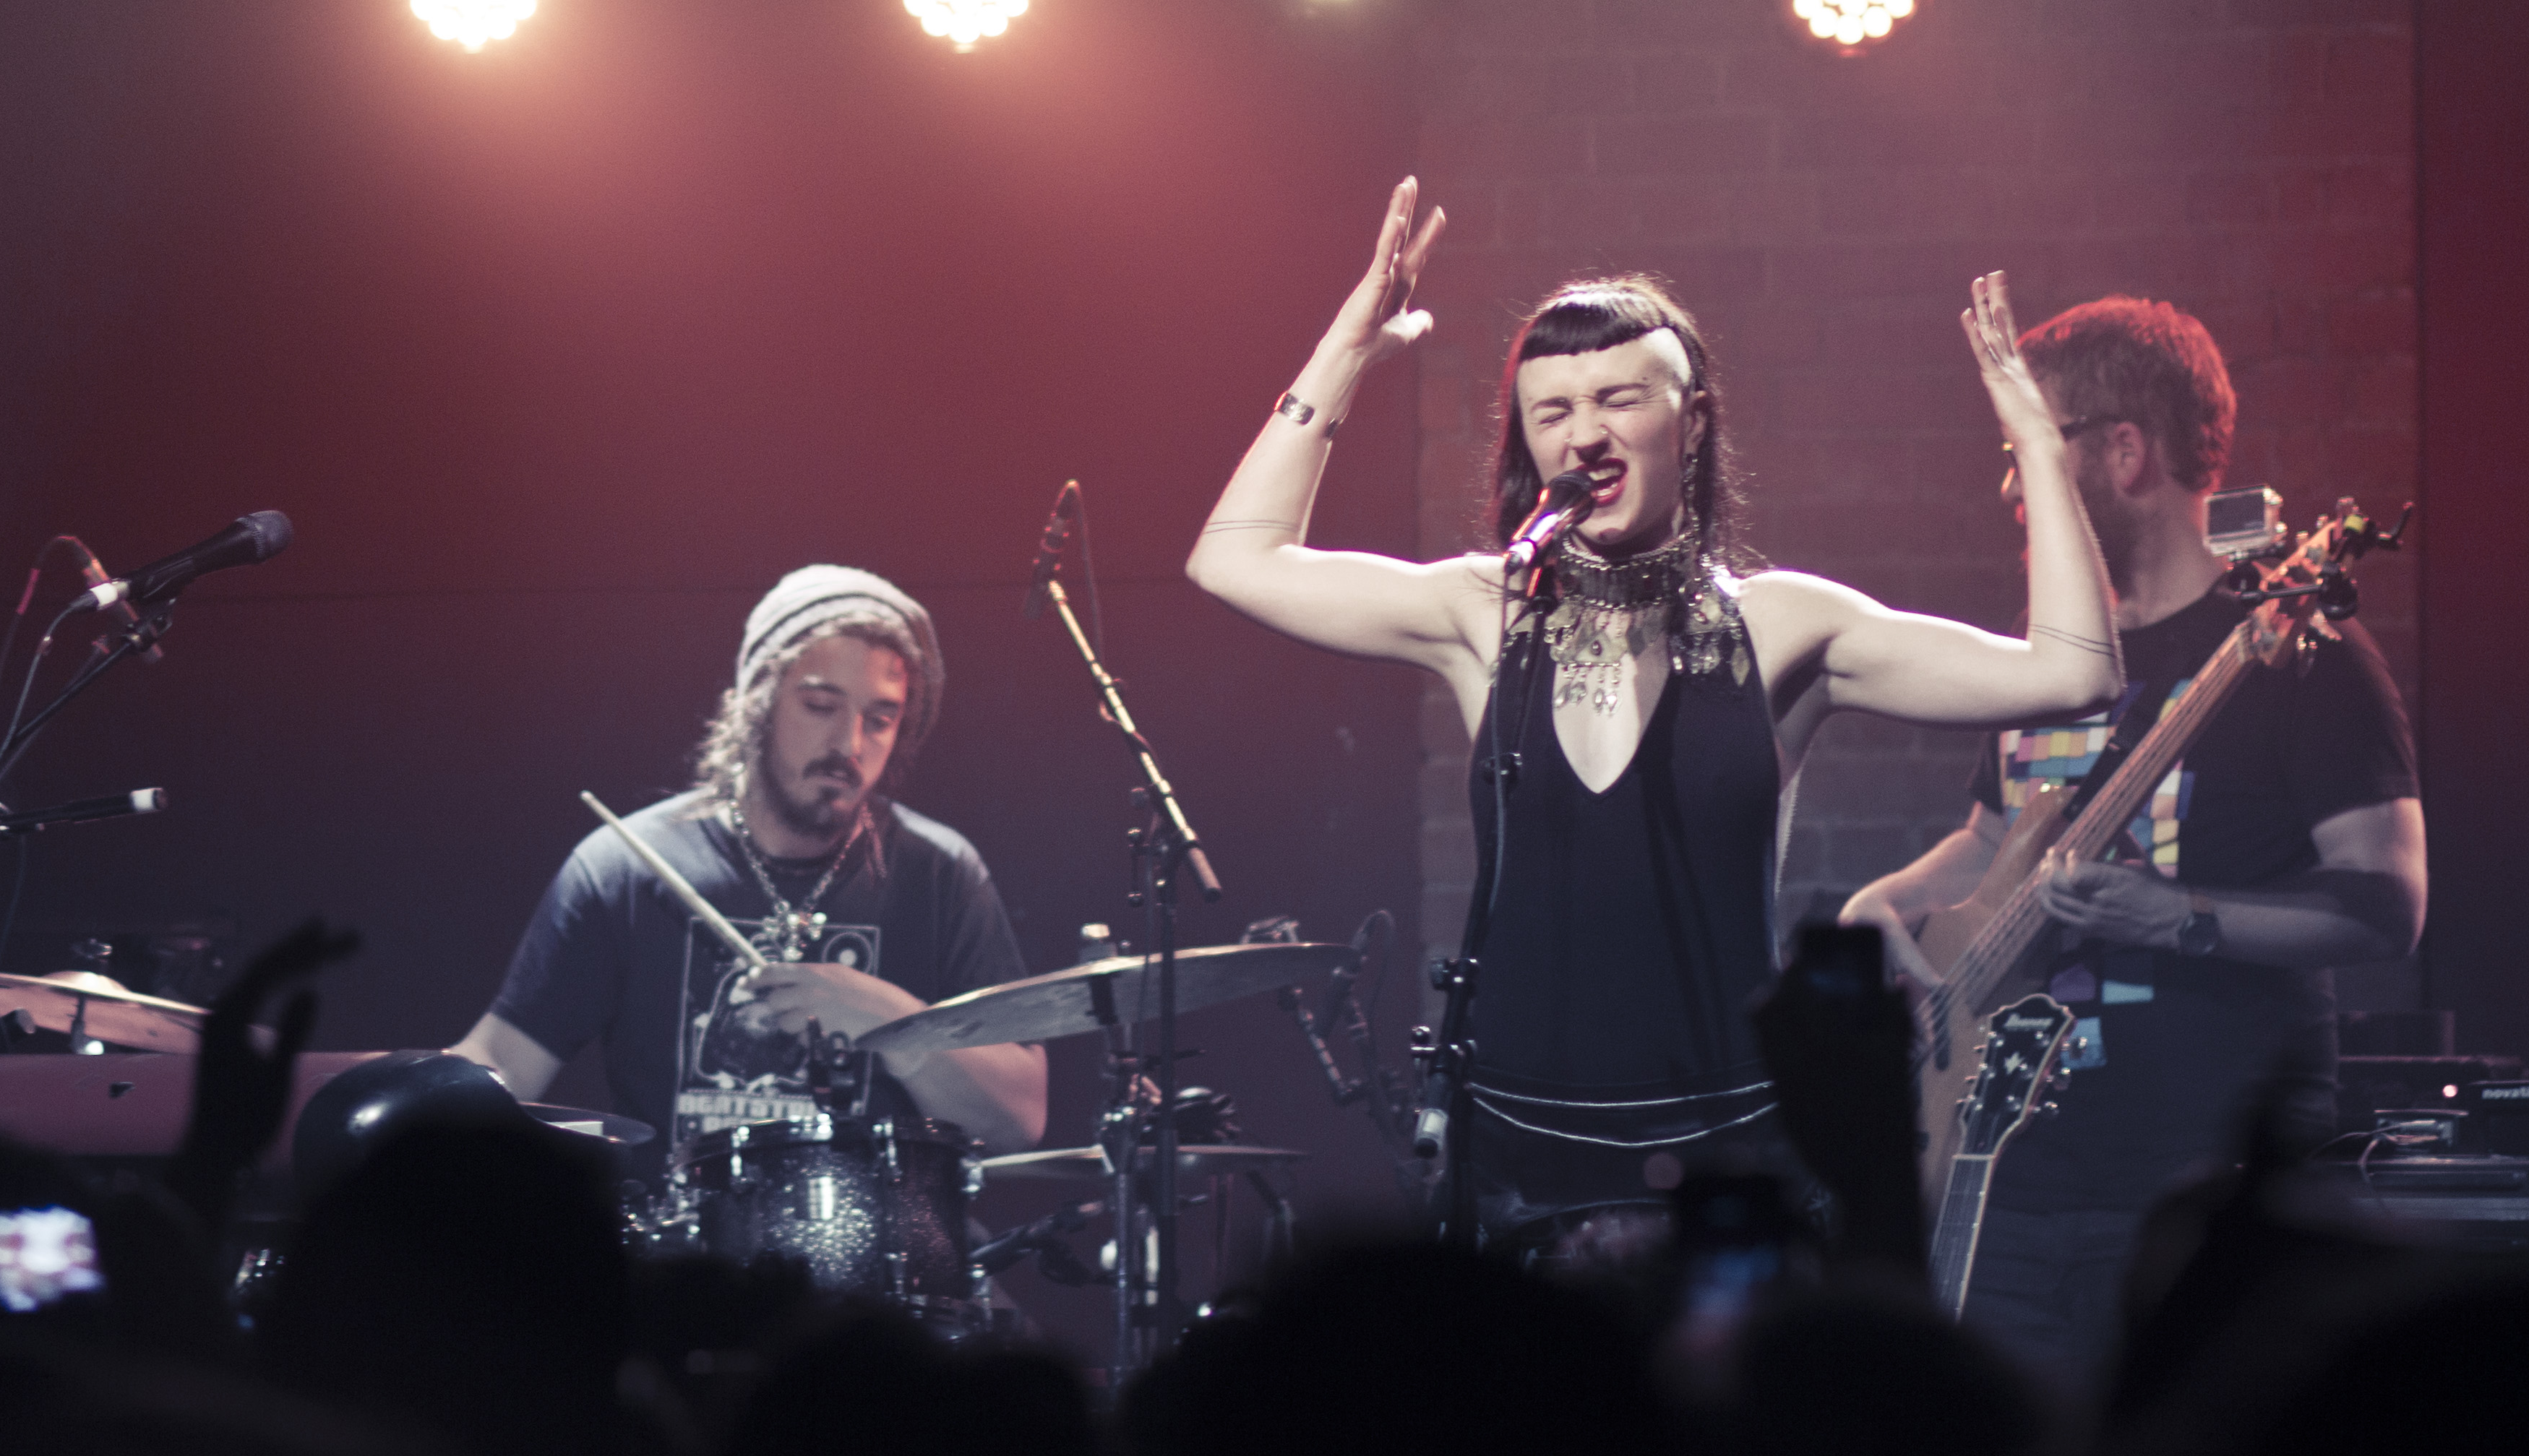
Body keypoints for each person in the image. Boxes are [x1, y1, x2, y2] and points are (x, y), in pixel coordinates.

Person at [1183, 178, 2124, 1253]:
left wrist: (2040, 451)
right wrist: (1347, 351)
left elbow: (2072, 672)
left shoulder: (1784, 627)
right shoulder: (1481, 612)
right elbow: (1233, 561)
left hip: (1726, 1162)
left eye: (1621, 399)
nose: (1586, 432)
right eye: (1554, 411)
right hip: (1516, 1170)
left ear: (1693, 418)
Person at [1842, 296, 2424, 1384]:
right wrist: (1881, 907)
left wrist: (2181, 920)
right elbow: (1988, 840)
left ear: (2122, 452)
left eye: (2031, 445)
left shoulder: (2303, 650)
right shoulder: (2055, 661)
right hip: (2008, 1176)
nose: (2010, 483)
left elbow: (2387, 903)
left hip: (2195, 1194)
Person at [448, 567, 1047, 1165]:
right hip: (678, 1254)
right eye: (820, 705)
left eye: (881, 718)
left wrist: (892, 1022)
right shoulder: (626, 869)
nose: (851, 743)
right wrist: (380, 1092)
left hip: (876, 1256)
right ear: (757, 701)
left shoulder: (940, 875)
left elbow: (1019, 1119)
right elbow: (503, 1064)